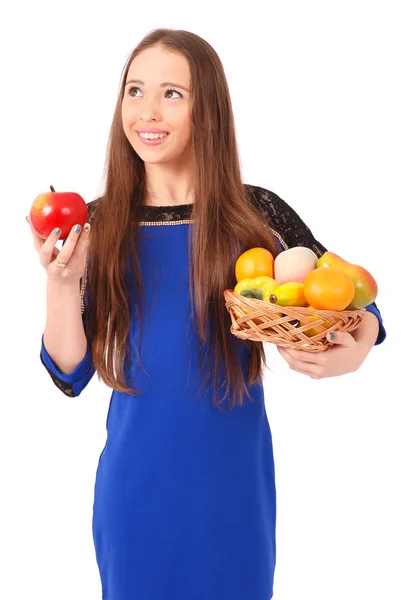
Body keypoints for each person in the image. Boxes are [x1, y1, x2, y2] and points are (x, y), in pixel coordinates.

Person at [26, 28, 386, 600]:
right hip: (136, 490)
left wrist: (363, 342)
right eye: (135, 90)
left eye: (173, 93)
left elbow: (350, 299)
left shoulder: (255, 214)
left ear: (207, 108)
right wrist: (61, 280)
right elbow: (69, 371)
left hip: (232, 487)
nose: (148, 110)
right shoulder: (98, 224)